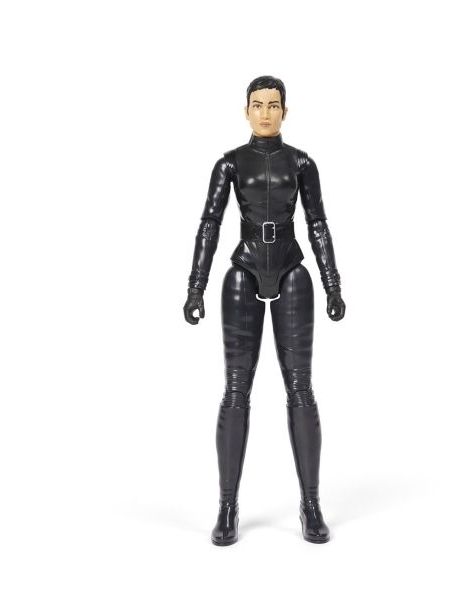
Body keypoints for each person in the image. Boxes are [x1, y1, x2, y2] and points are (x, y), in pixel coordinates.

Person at [183, 75, 346, 545]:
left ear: (285, 112)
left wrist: (333, 285)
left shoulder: (301, 163)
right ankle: (227, 506)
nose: (266, 113)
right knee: (237, 389)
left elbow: (318, 225)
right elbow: (209, 225)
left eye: (274, 105)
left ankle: (311, 504)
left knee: (301, 388)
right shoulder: (230, 163)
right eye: (258, 105)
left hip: (292, 269)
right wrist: (195, 287)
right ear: (246, 111)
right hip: (244, 270)